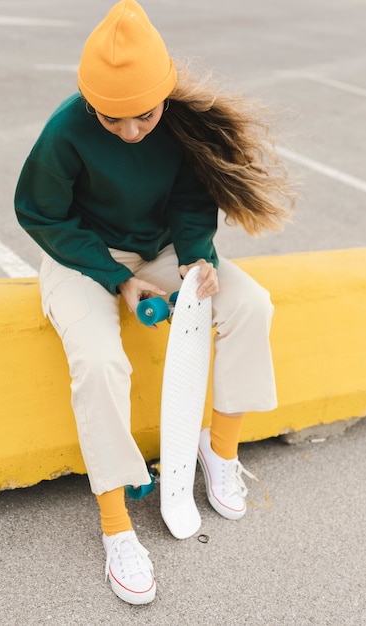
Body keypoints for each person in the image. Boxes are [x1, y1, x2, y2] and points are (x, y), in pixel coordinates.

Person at [15, 0, 294, 606]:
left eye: (142, 116)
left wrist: (198, 259)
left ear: (163, 95)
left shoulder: (181, 125)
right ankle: (117, 528)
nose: (130, 131)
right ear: (91, 103)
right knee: (98, 361)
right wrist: (113, 278)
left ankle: (219, 452)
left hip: (164, 249)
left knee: (252, 306)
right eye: (111, 119)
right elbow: (40, 212)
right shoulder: (65, 130)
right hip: (84, 257)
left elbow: (194, 200)